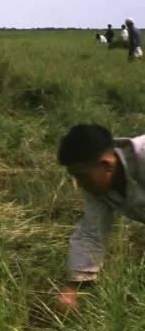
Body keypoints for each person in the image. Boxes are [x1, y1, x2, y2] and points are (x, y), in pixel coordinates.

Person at [55, 124, 145, 312]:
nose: (79, 184)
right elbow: (91, 233)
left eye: (81, 176)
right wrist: (72, 291)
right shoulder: (97, 187)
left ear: (106, 165)